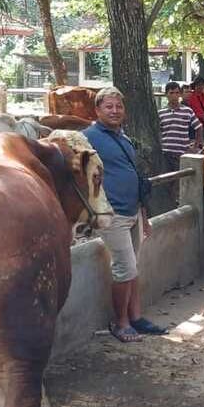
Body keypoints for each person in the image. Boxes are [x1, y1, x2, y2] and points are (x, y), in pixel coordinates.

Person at [84, 86, 162, 343]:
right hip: (111, 214)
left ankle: (136, 317)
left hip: (133, 211)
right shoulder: (87, 138)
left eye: (118, 106)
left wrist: (144, 214)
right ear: (97, 110)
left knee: (132, 268)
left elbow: (135, 177)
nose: (115, 111)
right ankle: (121, 323)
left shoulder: (124, 138)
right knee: (125, 268)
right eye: (109, 106)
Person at [158, 81, 202, 173]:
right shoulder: (161, 113)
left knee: (181, 181)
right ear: (166, 95)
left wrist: (195, 147)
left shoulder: (187, 111)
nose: (174, 96)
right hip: (166, 155)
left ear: (180, 95)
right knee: (167, 181)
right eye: (171, 93)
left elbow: (199, 127)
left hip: (182, 154)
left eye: (177, 93)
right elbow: (158, 132)